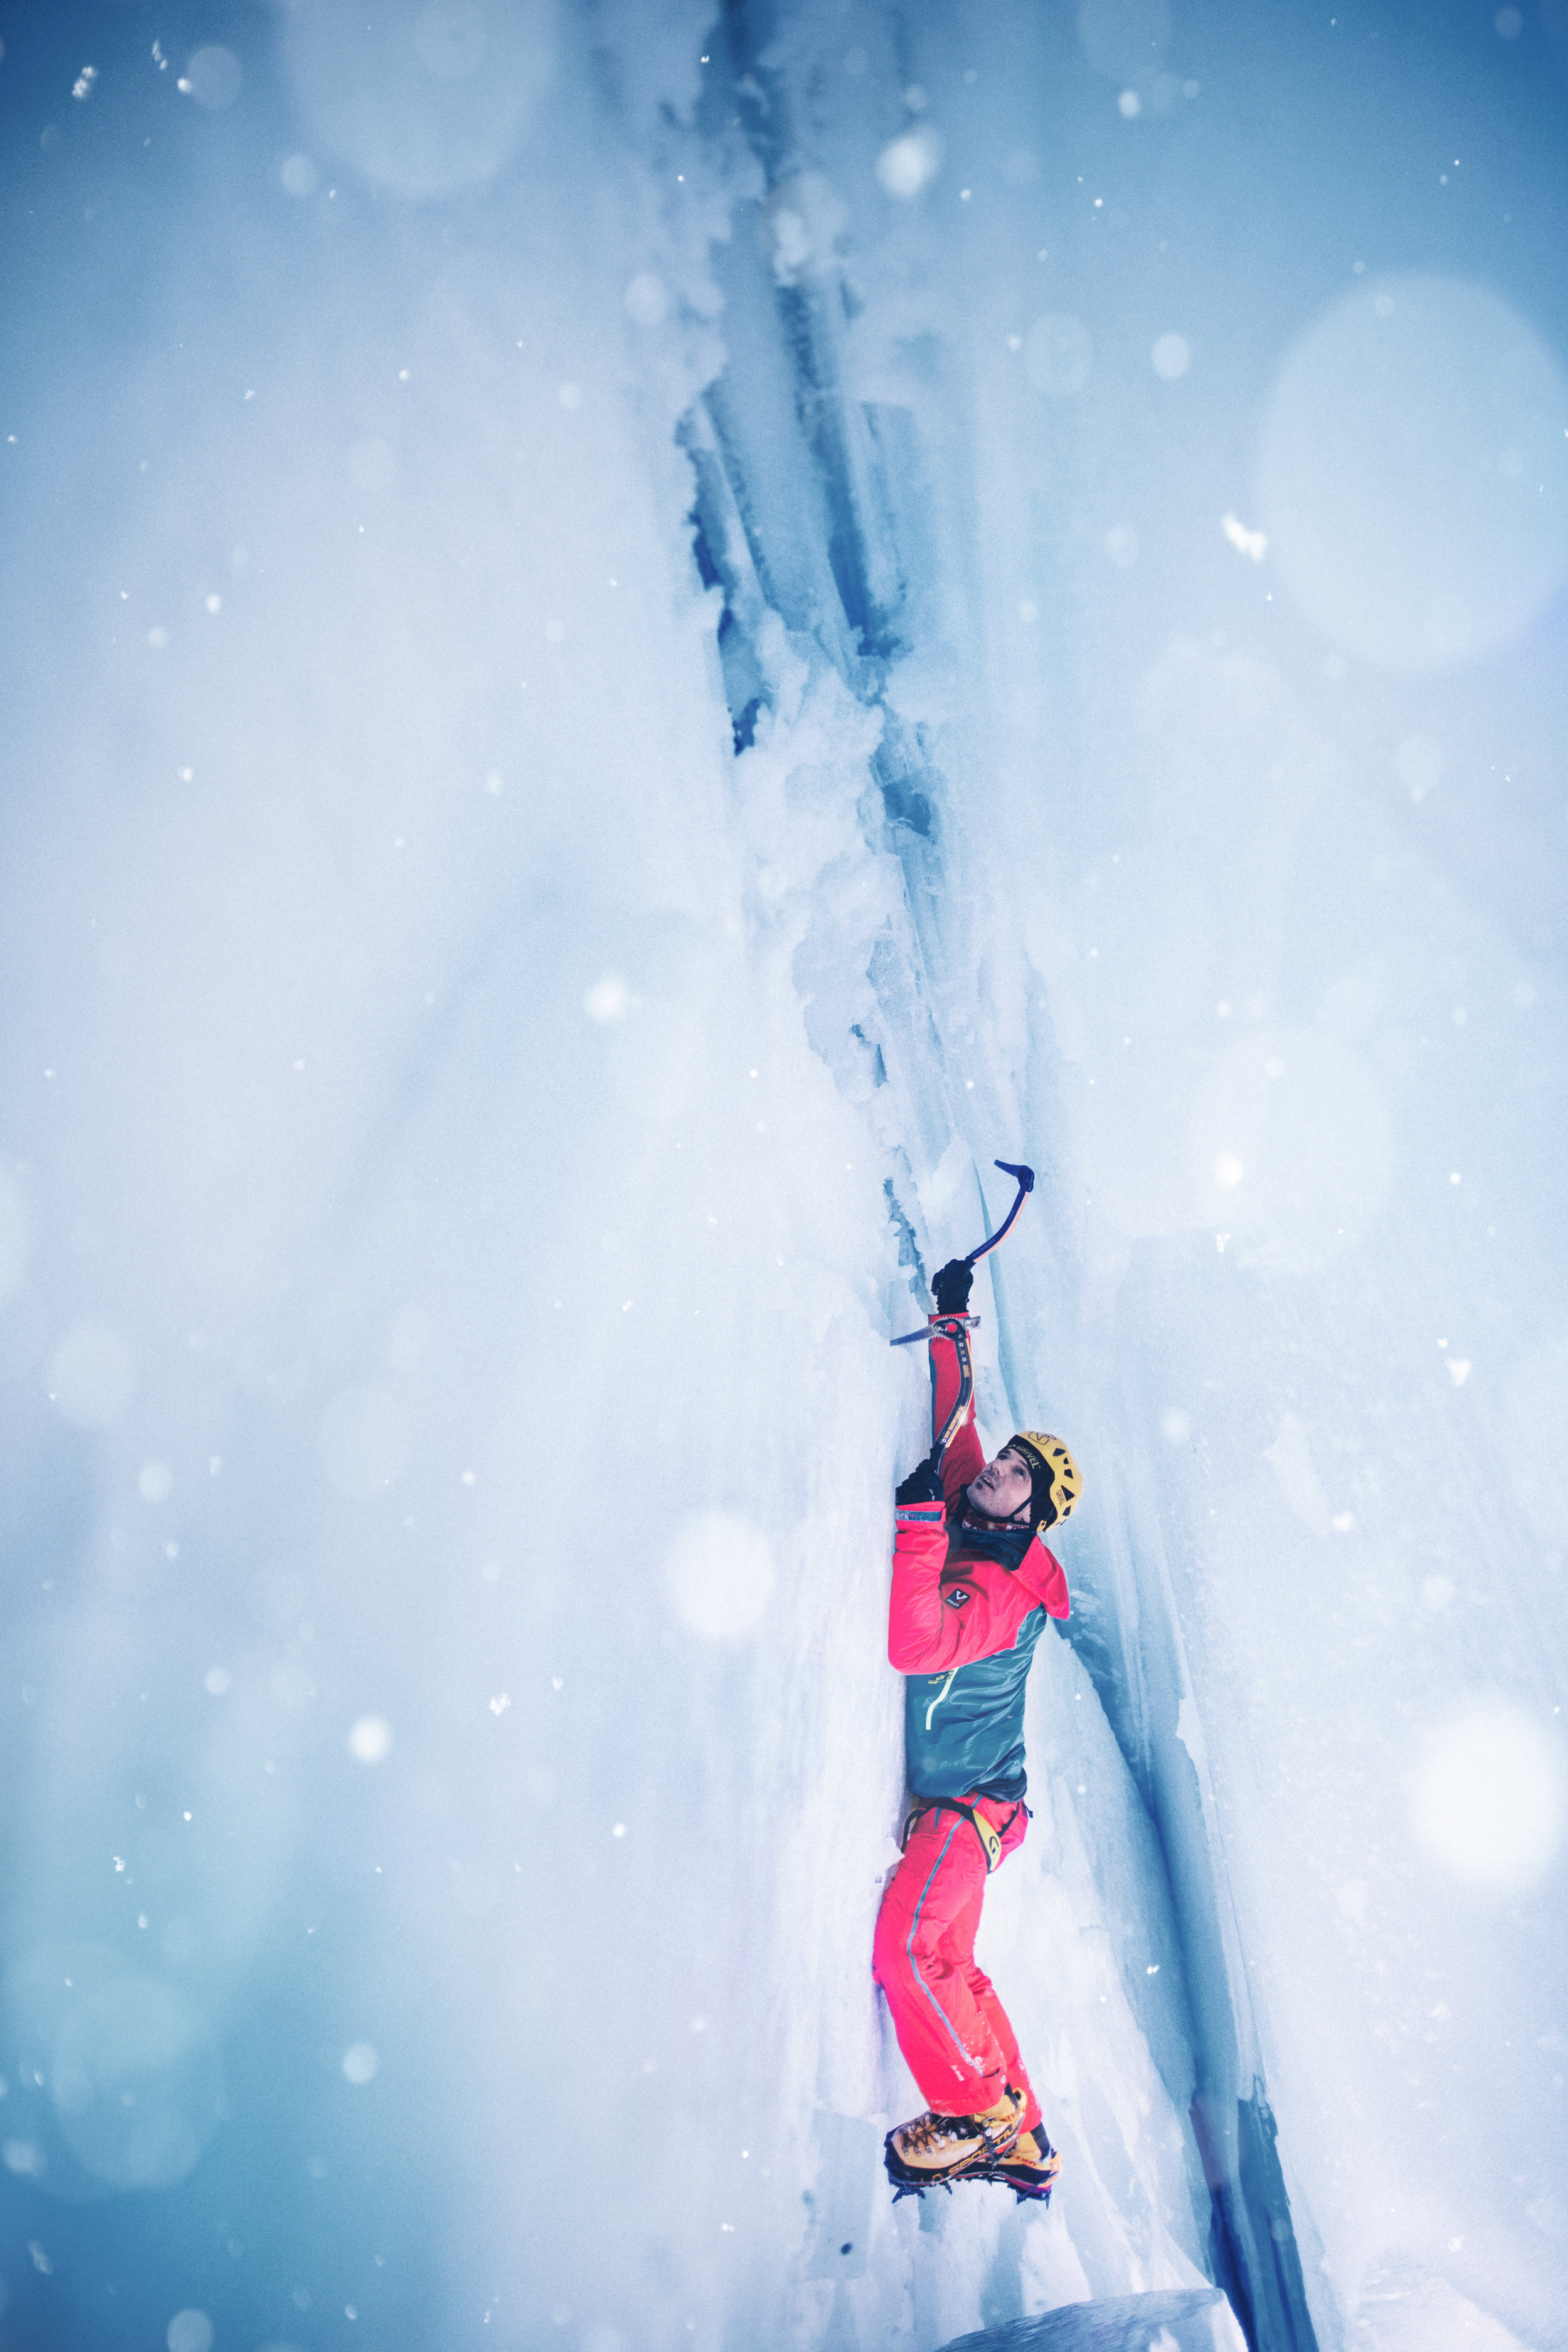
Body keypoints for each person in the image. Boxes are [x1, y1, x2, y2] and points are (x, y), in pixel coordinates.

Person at [872, 1255, 1081, 2201]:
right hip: (977, 1809)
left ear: (1029, 1518)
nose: (992, 1472)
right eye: (1002, 1464)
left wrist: (919, 1518)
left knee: (908, 1953)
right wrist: (954, 1316)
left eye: (1010, 1478)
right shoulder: (979, 1504)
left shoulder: (1005, 1591)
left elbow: (916, 1644)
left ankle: (977, 2114)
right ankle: (1028, 2134)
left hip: (969, 1810)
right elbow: (957, 1418)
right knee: (954, 1966)